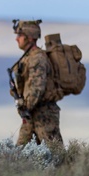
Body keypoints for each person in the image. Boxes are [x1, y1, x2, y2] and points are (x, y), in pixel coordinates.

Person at [9, 19, 64, 154]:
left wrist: (25, 106)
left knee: (55, 155)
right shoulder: (28, 57)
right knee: (19, 155)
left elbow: (37, 88)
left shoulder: (37, 58)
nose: (17, 39)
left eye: (19, 35)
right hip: (31, 116)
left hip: (44, 116)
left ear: (29, 37)